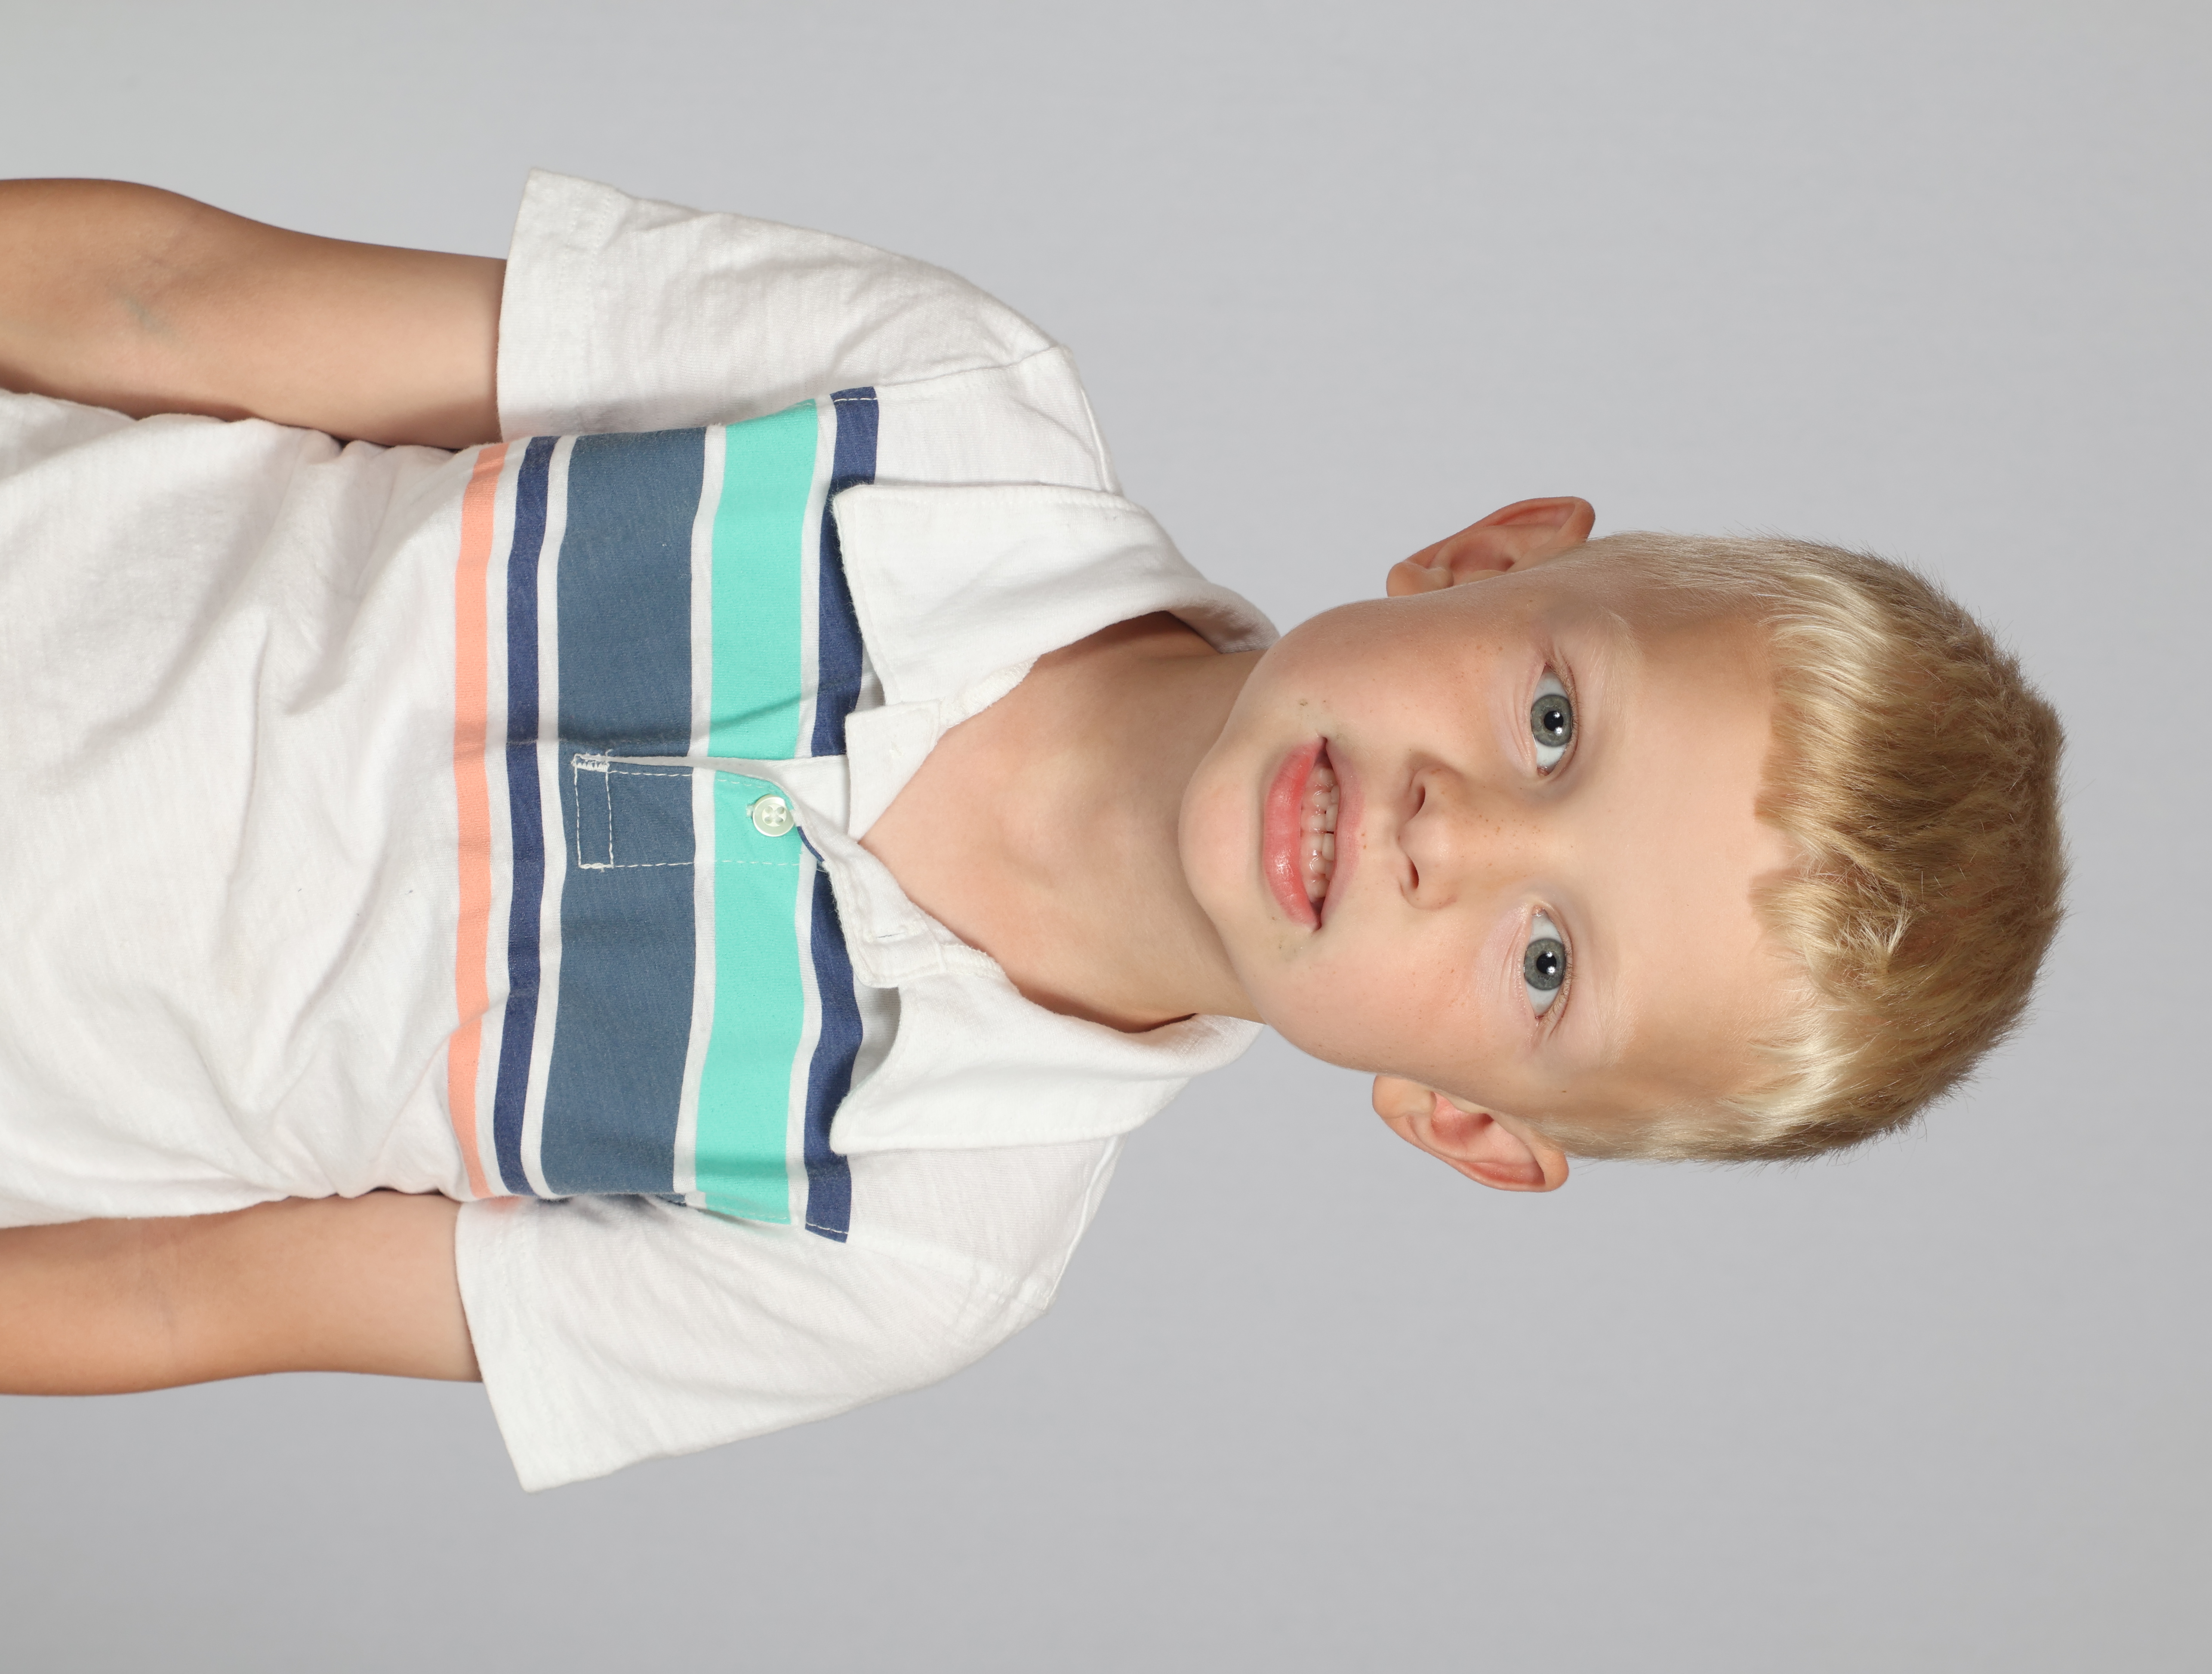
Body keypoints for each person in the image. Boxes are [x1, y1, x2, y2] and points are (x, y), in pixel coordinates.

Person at [0, 172, 2065, 1488]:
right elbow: (187, 301)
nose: (1457, 836)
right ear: (1491, 555)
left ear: (1467, 1118)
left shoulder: (911, 1243)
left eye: (1547, 962)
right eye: (1554, 722)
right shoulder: (932, 403)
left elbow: (198, 1298)